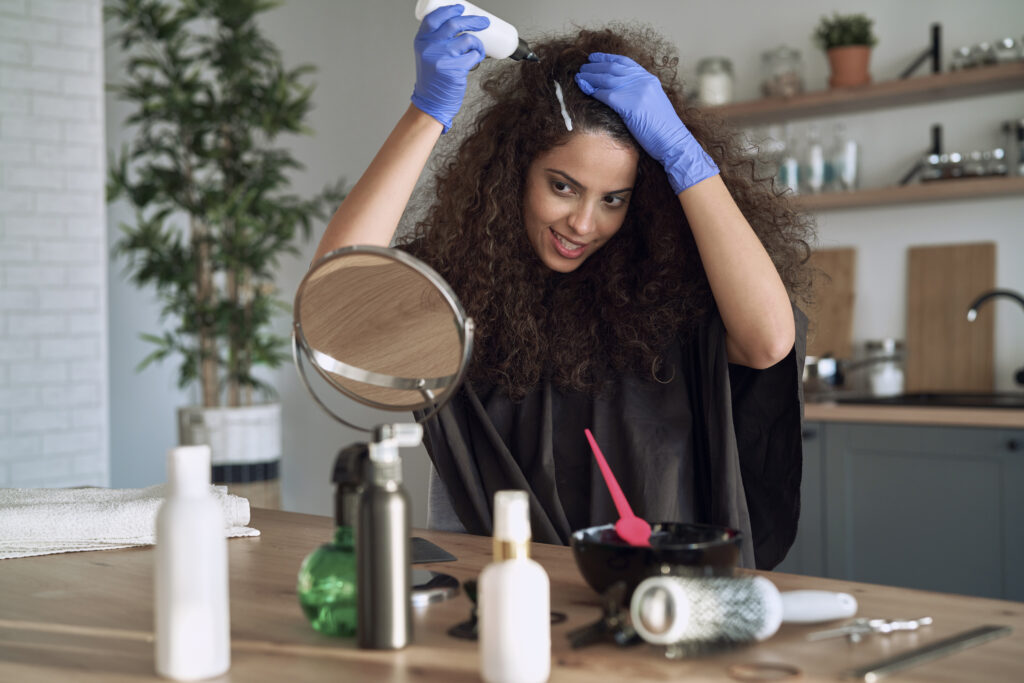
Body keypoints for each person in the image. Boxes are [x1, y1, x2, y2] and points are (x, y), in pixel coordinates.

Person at [312, 5, 814, 569]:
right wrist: (427, 112)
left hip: (644, 593)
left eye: (613, 200)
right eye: (562, 186)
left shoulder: (666, 295)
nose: (583, 223)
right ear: (514, 173)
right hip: (490, 580)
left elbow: (770, 341)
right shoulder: (465, 286)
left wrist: (681, 154)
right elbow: (336, 305)